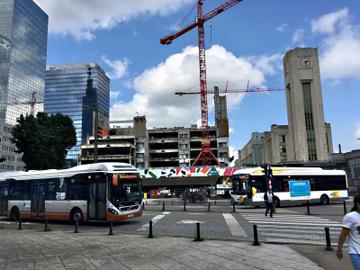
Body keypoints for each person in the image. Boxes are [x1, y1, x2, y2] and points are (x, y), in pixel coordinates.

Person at [337, 196, 360, 270]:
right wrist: (339, 249)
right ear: (358, 204)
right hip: (356, 252)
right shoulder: (350, 217)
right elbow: (343, 235)